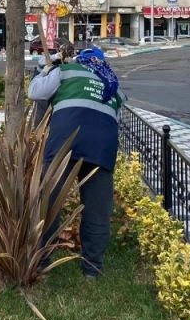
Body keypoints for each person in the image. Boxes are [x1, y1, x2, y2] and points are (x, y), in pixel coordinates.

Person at [28, 46, 125, 279]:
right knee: (97, 209)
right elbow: (115, 119)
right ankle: (92, 268)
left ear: (79, 60)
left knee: (49, 202)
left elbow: (34, 92)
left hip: (65, 141)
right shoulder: (114, 85)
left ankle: (41, 263)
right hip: (102, 146)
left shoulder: (66, 71)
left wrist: (45, 68)